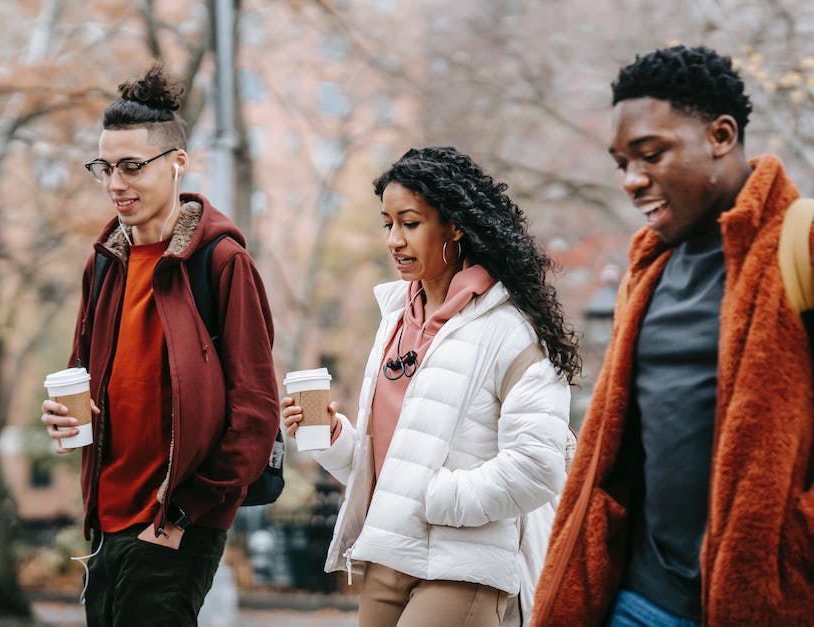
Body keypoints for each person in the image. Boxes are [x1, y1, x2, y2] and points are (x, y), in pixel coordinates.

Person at [532, 45, 814, 626]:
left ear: (720, 135)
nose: (633, 181)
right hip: (640, 599)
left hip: (766, 602)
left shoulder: (801, 244)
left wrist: (794, 545)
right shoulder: (649, 267)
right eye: (621, 163)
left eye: (651, 154)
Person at [282, 146, 581, 627]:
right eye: (387, 224)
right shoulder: (396, 321)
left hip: (462, 566)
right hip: (386, 555)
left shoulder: (510, 331)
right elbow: (391, 463)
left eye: (410, 223)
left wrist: (437, 498)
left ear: (455, 226)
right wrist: (335, 438)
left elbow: (538, 467)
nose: (394, 240)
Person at [39, 66, 279, 627]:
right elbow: (85, 372)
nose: (115, 184)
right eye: (105, 167)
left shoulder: (219, 261)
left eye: (131, 167)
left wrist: (183, 513)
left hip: (177, 519)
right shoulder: (104, 263)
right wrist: (63, 414)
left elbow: (256, 411)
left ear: (177, 163)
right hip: (107, 518)